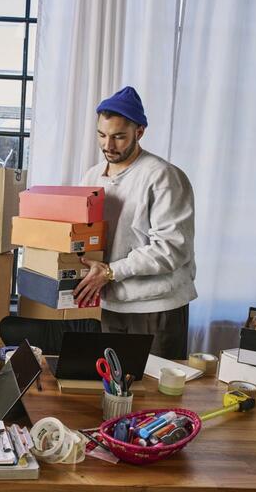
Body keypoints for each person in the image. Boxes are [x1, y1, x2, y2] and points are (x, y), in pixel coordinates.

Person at [73, 86, 197, 359]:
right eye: (102, 135)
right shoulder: (92, 177)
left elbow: (172, 248)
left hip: (156, 307)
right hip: (110, 303)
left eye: (118, 137)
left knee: (153, 393)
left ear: (139, 132)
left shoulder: (162, 176)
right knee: (114, 391)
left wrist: (110, 271)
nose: (108, 145)